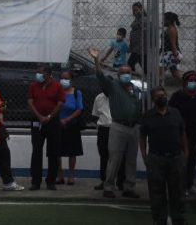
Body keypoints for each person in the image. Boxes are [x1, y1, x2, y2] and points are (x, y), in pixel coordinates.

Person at [88, 46, 142, 199]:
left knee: (131, 160)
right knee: (115, 158)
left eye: (128, 73)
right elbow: (100, 75)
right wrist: (96, 59)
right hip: (118, 127)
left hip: (134, 128)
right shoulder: (113, 87)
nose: (125, 75)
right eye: (123, 73)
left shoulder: (136, 90)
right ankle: (109, 186)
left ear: (131, 74)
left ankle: (128, 187)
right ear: (118, 75)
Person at [139, 87, 188, 225]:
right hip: (156, 159)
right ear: (153, 99)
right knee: (156, 191)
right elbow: (142, 137)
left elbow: (182, 133)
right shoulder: (148, 115)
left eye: (163, 94)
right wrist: (144, 155)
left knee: (178, 191)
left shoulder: (175, 113)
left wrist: (186, 153)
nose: (162, 97)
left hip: (176, 158)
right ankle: (159, 219)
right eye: (158, 96)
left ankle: (179, 219)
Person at [27, 64, 63, 191]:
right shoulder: (33, 86)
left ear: (48, 74)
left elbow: (59, 104)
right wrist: (39, 116)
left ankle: (51, 181)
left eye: (40, 73)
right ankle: (35, 181)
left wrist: (49, 116)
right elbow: (30, 102)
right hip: (37, 122)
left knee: (53, 152)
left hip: (52, 122)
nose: (37, 75)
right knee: (36, 150)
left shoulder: (57, 86)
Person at [170, 70, 196, 195]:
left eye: (195, 81)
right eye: (190, 81)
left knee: (192, 160)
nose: (192, 83)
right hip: (181, 134)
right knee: (181, 162)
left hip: (195, 134)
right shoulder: (177, 97)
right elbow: (171, 114)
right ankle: (180, 186)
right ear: (184, 82)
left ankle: (189, 185)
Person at [92, 91, 126, 192]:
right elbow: (95, 114)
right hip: (104, 129)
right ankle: (104, 180)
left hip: (117, 127)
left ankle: (121, 182)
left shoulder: (120, 96)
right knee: (104, 155)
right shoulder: (98, 97)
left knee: (120, 155)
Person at [56, 70, 84, 185]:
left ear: (71, 80)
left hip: (72, 125)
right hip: (57, 125)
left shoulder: (77, 93)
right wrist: (58, 120)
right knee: (57, 151)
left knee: (72, 152)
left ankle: (71, 175)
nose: (64, 81)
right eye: (62, 78)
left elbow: (79, 109)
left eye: (67, 78)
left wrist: (67, 119)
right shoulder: (56, 92)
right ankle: (60, 175)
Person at [160, 12, 182, 85]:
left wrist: (176, 56)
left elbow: (173, 44)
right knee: (175, 74)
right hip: (169, 53)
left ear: (169, 20)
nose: (162, 21)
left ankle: (158, 88)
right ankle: (187, 85)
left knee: (159, 73)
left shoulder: (171, 29)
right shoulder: (169, 28)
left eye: (164, 19)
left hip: (170, 54)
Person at [129, 2, 145, 72]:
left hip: (140, 48)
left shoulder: (143, 20)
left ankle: (133, 78)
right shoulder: (137, 19)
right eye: (133, 11)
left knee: (130, 63)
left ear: (141, 9)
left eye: (136, 10)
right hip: (136, 47)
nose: (134, 12)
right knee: (143, 66)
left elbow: (145, 34)